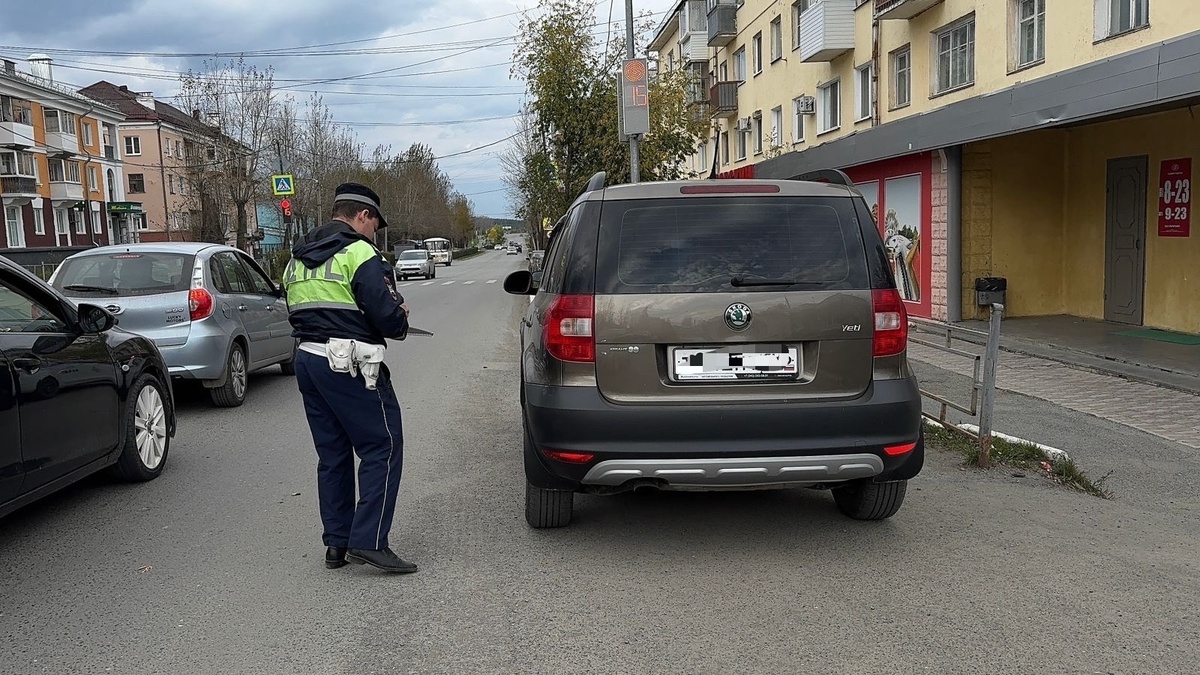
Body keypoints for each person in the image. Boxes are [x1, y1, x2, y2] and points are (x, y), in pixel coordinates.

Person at [282, 182, 417, 574]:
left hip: (307, 361)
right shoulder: (359, 253)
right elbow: (388, 318)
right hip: (350, 363)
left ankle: (336, 544)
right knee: (383, 445)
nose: (375, 232)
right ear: (363, 215)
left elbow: (296, 308)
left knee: (333, 453)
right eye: (375, 223)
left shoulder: (299, 257)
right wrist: (401, 315)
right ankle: (370, 542)